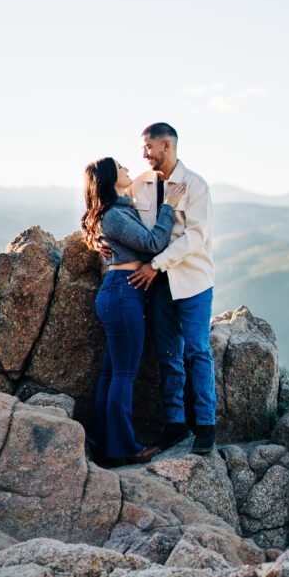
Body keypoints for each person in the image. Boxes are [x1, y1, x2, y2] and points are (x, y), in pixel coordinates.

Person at [81, 156, 186, 466]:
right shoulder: (113, 216)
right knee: (123, 375)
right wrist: (168, 206)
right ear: (111, 177)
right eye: (121, 167)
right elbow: (153, 243)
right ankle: (124, 449)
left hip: (118, 294)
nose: (127, 169)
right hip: (123, 294)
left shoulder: (113, 212)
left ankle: (106, 444)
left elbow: (92, 217)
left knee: (111, 374)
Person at [128, 122, 216, 455]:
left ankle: (206, 425)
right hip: (159, 284)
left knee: (197, 350)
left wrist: (156, 264)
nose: (144, 154)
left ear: (166, 145)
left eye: (148, 147)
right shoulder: (140, 186)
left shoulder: (196, 185)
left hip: (193, 281)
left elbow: (196, 237)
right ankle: (175, 425)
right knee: (167, 355)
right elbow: (126, 220)